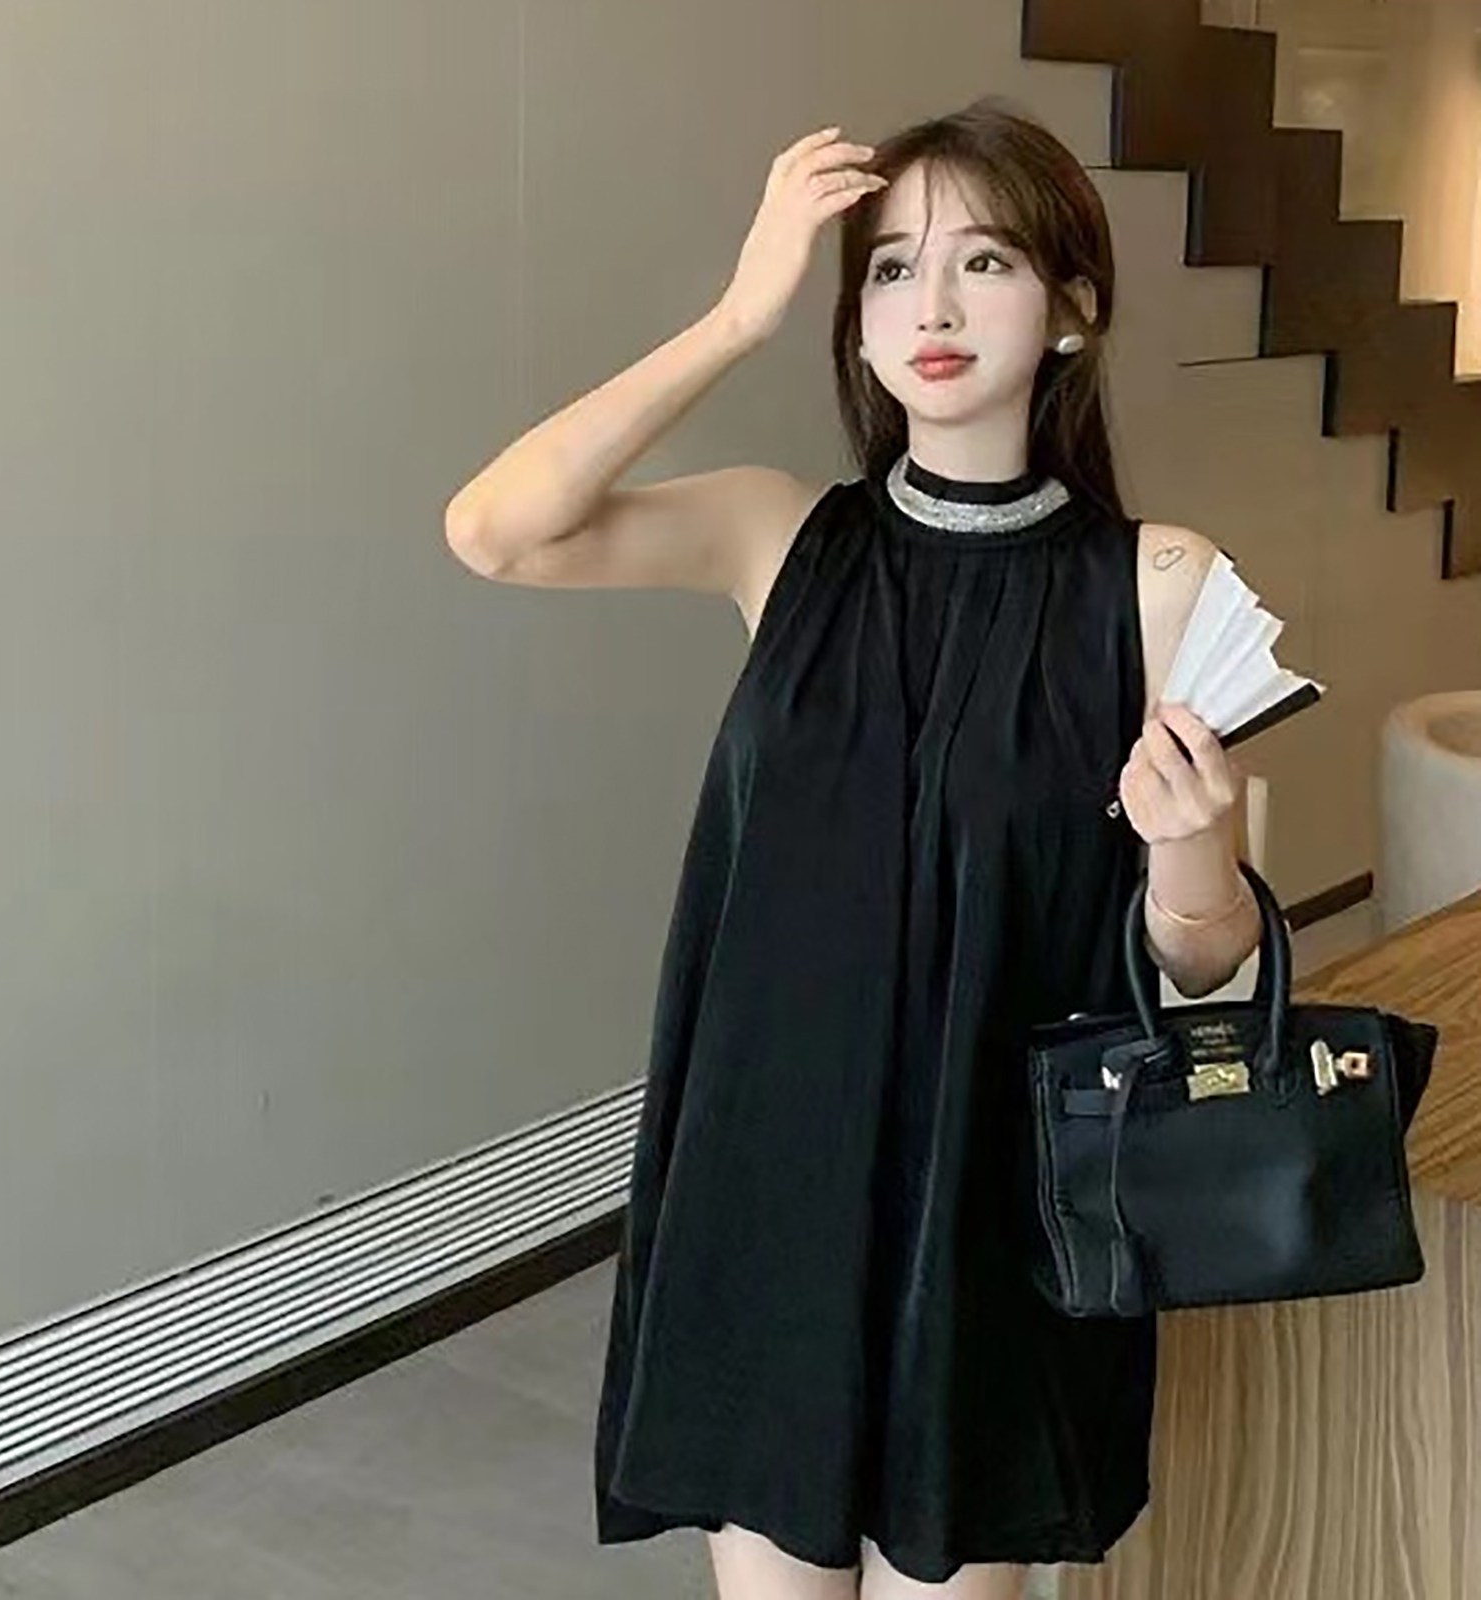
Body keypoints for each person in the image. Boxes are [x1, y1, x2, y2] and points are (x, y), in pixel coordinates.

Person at [445, 97, 1264, 1600]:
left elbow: (1206, 963)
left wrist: (1195, 851)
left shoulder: (1159, 584)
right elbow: (498, 529)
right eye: (891, 268)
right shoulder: (779, 537)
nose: (931, 306)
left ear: (1073, 309)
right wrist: (737, 315)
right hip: (769, 1178)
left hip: (997, 1209)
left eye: (985, 262)